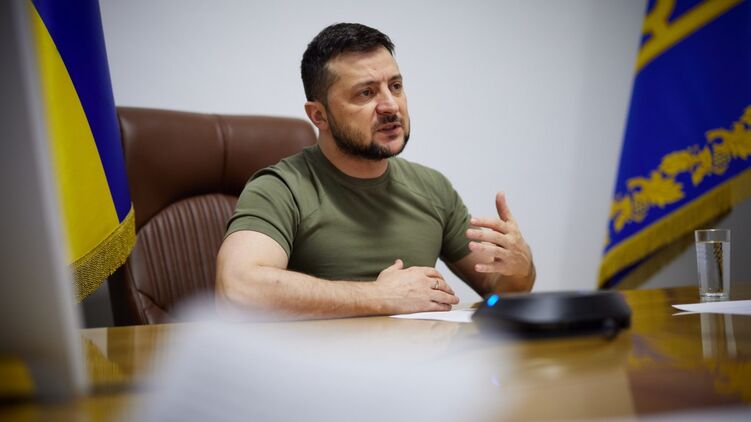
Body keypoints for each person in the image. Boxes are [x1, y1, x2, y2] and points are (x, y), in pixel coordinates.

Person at [215, 23, 534, 319]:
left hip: (418, 358)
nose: (390, 106)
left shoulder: (433, 188)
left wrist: (519, 268)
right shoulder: (280, 187)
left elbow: (499, 292)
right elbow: (238, 289)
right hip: (317, 362)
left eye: (395, 86)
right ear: (319, 116)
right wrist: (379, 296)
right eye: (366, 93)